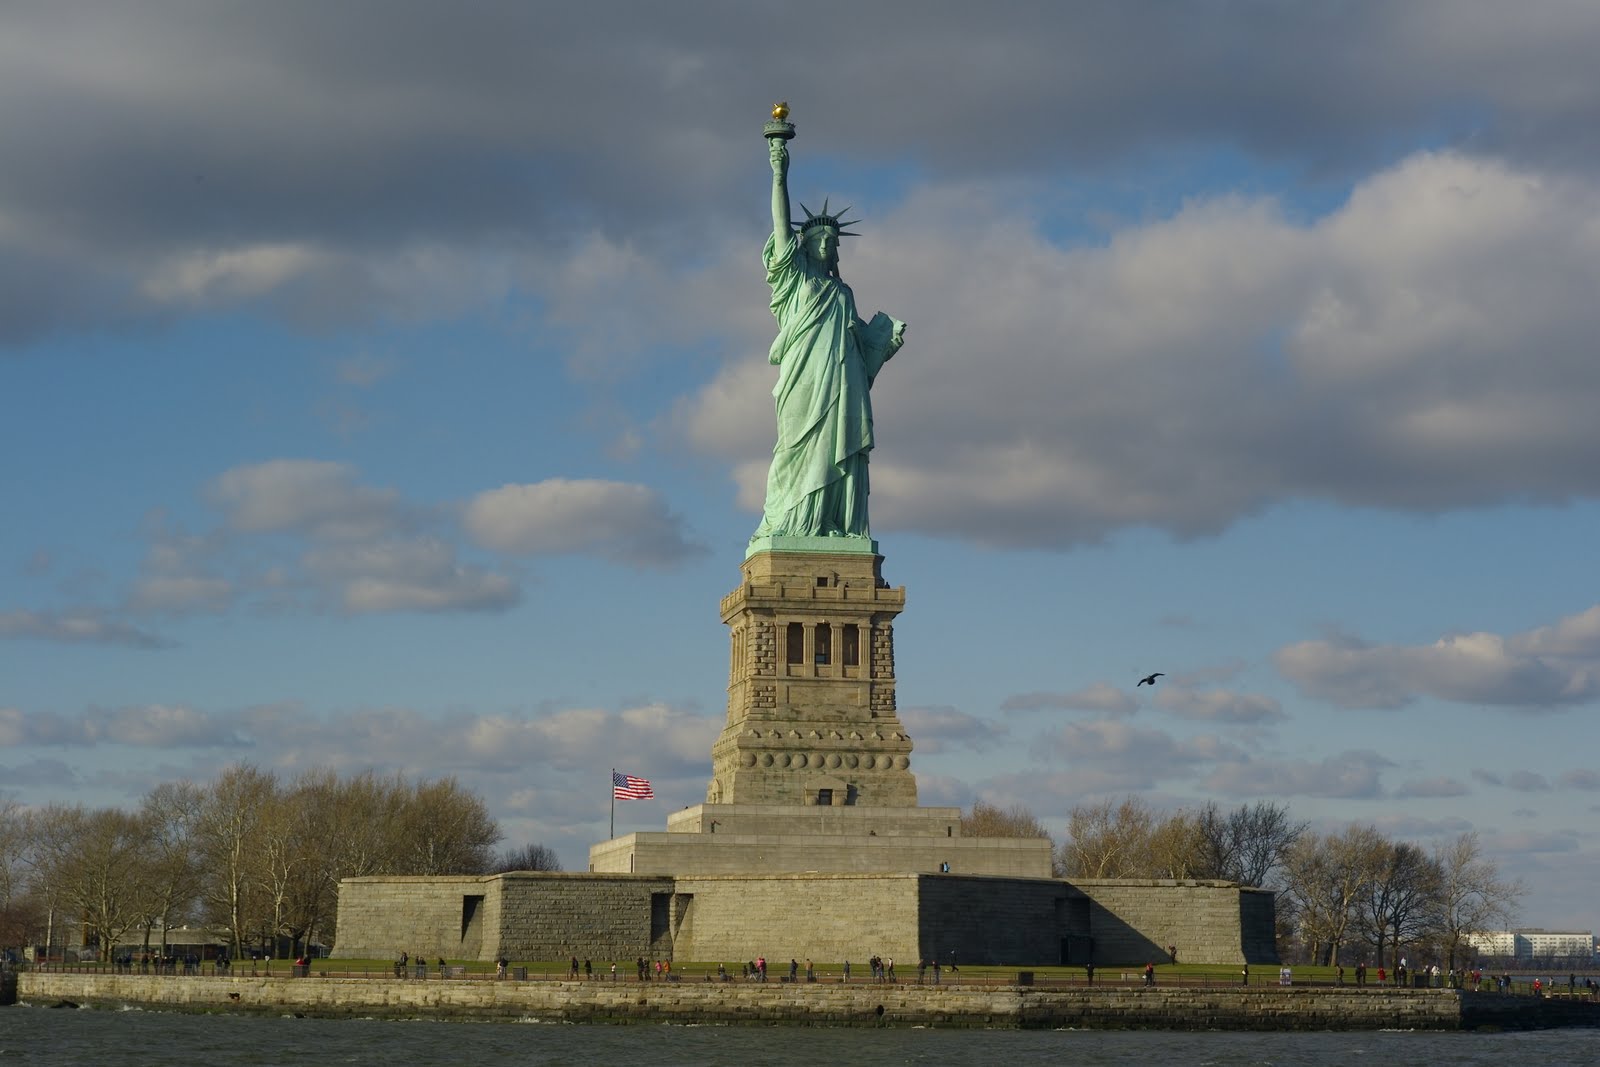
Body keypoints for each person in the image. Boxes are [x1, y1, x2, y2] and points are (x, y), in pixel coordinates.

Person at [750, 128, 907, 544]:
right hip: (803, 381)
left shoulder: (843, 292)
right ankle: (792, 523)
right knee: (793, 450)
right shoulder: (795, 280)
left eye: (830, 240)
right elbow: (781, 226)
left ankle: (831, 523)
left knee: (839, 448)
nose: (824, 243)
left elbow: (858, 355)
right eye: (817, 237)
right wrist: (779, 173)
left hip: (842, 384)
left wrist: (882, 346)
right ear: (805, 244)